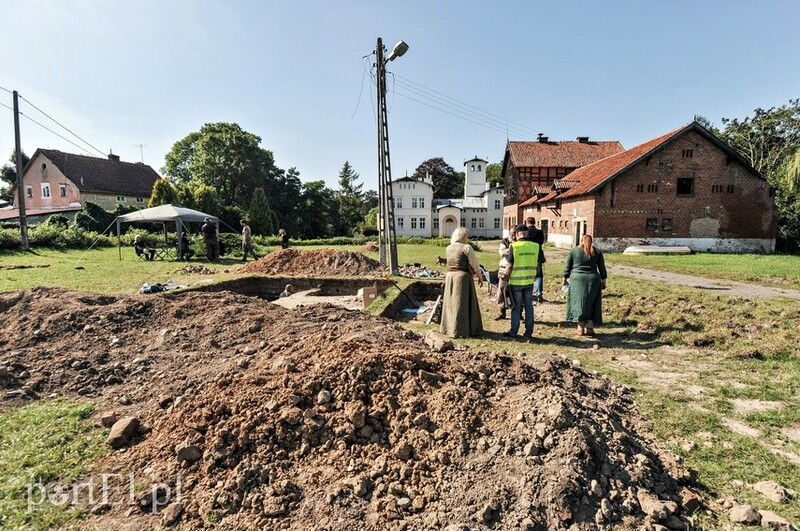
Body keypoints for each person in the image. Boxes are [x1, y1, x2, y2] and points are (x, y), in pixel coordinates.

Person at [439, 227, 483, 338]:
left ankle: (449, 328)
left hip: (450, 276)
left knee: (451, 304)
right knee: (461, 304)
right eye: (466, 236)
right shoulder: (466, 248)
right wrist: (480, 276)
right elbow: (474, 264)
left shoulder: (448, 248)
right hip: (462, 278)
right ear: (463, 236)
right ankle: (461, 330)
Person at [563, 234, 608, 337]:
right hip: (593, 279)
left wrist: (565, 279)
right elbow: (602, 268)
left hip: (577, 279)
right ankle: (590, 327)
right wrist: (604, 281)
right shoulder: (597, 252)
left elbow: (567, 267)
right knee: (592, 303)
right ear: (591, 241)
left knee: (578, 302)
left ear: (581, 240)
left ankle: (580, 327)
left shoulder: (574, 251)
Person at [504, 224, 540, 339]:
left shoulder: (514, 246)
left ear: (517, 234)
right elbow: (538, 264)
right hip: (529, 281)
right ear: (527, 233)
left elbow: (509, 265)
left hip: (516, 282)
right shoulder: (536, 246)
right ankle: (528, 333)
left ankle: (513, 332)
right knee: (529, 308)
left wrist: (505, 279)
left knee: (515, 308)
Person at [493, 233, 514, 320]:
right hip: (504, 268)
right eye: (511, 234)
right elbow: (502, 252)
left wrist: (509, 251)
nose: (513, 237)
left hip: (515, 270)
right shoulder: (504, 241)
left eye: (514, 235)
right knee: (502, 291)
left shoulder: (518, 243)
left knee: (514, 293)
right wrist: (511, 251)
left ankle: (518, 313)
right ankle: (502, 312)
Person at [526, 217, 546, 303]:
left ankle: (528, 293)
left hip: (528, 255)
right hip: (537, 255)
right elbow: (541, 242)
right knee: (538, 275)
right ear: (534, 222)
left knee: (528, 274)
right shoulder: (540, 232)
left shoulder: (525, 232)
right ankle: (539, 293)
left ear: (527, 222)